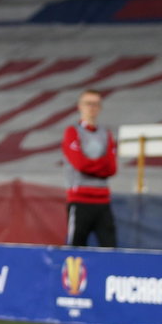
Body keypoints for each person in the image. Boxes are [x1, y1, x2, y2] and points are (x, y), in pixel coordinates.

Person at [62, 88, 118, 247]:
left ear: (100, 107)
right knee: (75, 249)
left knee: (110, 248)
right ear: (80, 106)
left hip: (102, 201)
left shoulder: (106, 134)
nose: (92, 107)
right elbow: (79, 164)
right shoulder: (72, 132)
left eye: (95, 104)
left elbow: (112, 168)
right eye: (88, 104)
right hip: (79, 200)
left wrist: (90, 165)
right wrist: (100, 167)